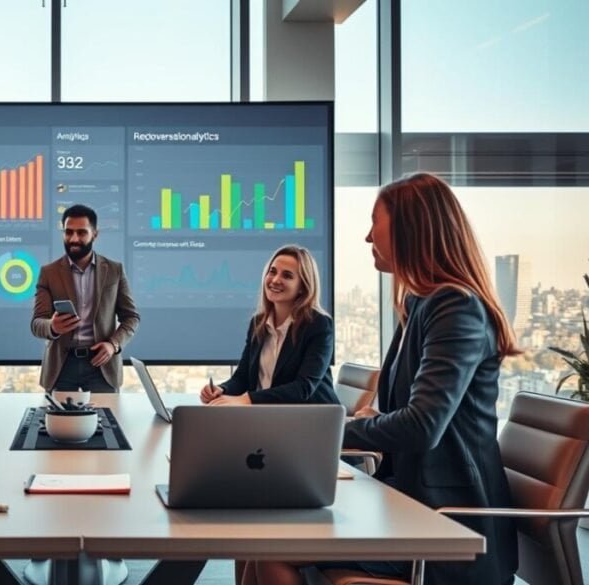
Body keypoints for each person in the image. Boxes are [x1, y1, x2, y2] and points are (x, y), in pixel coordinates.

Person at [250, 173, 520, 585]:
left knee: (270, 552)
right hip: (406, 501)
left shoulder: (456, 308)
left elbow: (422, 425)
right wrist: (369, 418)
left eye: (375, 223)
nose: (367, 237)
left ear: (409, 229)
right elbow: (401, 408)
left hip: (447, 523)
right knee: (258, 540)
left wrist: (324, 434)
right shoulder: (421, 303)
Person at [199, 244, 337, 407]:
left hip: (313, 419)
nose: (276, 280)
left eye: (287, 276)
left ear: (302, 287)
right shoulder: (258, 323)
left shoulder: (318, 325)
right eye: (272, 271)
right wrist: (221, 390)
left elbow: (303, 388)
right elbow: (242, 378)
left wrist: (247, 399)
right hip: (268, 416)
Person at [31, 204, 140, 392]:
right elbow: (36, 323)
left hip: (102, 366)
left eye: (81, 233)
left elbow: (131, 318)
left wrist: (113, 345)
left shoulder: (114, 270)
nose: (74, 239)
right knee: (59, 422)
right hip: (61, 367)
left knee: (107, 420)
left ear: (94, 234)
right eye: (68, 232)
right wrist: (52, 327)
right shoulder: (48, 273)